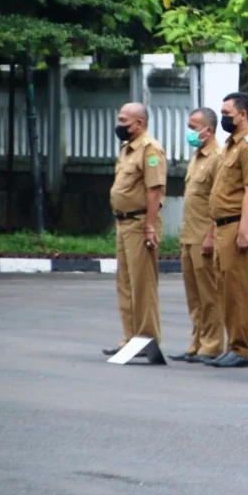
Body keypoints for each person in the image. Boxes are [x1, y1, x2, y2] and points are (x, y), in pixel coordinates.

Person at [207, 92, 248, 368]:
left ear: (242, 115)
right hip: (224, 225)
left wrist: (244, 231)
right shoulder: (230, 145)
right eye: (221, 113)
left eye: (228, 114)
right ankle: (233, 344)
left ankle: (241, 349)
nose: (223, 119)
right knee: (226, 289)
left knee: (239, 289)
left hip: (238, 225)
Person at [104, 102, 167, 356]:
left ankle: (147, 339)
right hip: (124, 222)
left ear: (138, 123)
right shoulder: (127, 149)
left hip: (141, 223)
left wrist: (149, 226)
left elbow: (154, 190)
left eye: (123, 121)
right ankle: (131, 337)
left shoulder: (150, 150)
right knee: (126, 283)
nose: (119, 125)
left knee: (143, 285)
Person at [169, 107, 223, 363]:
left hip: (204, 235)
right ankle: (197, 340)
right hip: (189, 234)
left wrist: (211, 236)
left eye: (194, 127)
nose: (190, 132)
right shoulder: (197, 156)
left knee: (209, 293)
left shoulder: (217, 157)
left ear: (208, 130)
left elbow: (217, 201)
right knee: (193, 294)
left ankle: (211, 344)